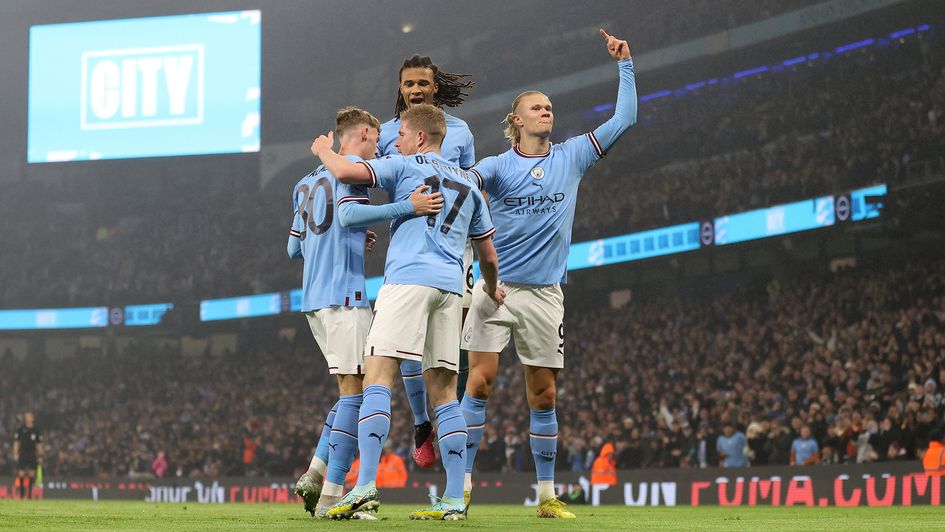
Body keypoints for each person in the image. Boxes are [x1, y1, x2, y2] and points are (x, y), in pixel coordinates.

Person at [458, 28, 637, 519]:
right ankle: (462, 487)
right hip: (496, 290)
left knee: (545, 393)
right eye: (537, 107)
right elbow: (464, 185)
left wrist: (624, 63)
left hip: (544, 295)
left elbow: (626, 118)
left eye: (549, 107)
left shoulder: (572, 155)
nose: (546, 111)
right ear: (516, 120)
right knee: (480, 383)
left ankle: (545, 496)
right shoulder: (495, 166)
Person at [311, 104, 503, 520]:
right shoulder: (469, 183)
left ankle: (363, 488)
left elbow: (345, 173)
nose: (392, 142)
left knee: (377, 375)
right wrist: (490, 287)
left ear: (419, 138)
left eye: (399, 136)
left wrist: (324, 152)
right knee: (446, 395)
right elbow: (487, 254)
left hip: (407, 281)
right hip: (451, 290)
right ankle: (454, 499)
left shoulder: (405, 164)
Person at [289, 107, 443, 518]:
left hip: (313, 301)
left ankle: (316, 473)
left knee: (350, 390)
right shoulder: (353, 166)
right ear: (360, 134)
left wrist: (349, 238)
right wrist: (405, 207)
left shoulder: (303, 183)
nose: (381, 147)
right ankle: (331, 497)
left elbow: (294, 248)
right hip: (345, 296)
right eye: (376, 139)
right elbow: (347, 213)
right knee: (358, 395)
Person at [377, 54, 477, 469]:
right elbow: (367, 179)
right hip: (409, 243)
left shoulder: (460, 132)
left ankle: (446, 422)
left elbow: (470, 182)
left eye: (422, 83)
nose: (415, 89)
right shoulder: (387, 133)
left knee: (453, 351)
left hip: (456, 249)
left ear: (435, 87)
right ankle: (421, 424)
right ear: (399, 89)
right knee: (407, 346)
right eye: (408, 84)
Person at [13, 412, 43, 500]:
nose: (28, 418)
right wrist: (15, 453)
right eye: (27, 416)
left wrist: (40, 456)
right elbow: (16, 442)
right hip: (23, 453)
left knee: (31, 474)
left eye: (30, 416)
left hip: (32, 453)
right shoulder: (21, 430)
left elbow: (39, 444)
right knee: (21, 473)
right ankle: (22, 495)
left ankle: (29, 495)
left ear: (32, 418)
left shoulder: (36, 431)